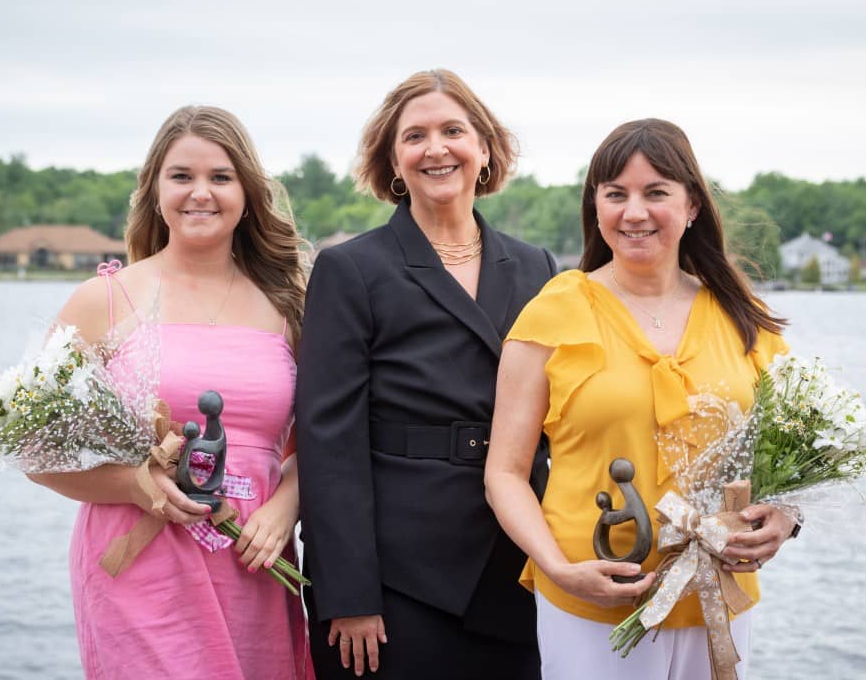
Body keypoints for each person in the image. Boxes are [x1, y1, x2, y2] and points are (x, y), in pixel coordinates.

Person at [484, 118, 796, 680]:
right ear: (595, 205)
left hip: (717, 593)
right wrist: (557, 569)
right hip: (592, 602)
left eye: (656, 193)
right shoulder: (555, 310)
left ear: (692, 205)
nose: (634, 213)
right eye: (616, 194)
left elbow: (789, 455)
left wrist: (785, 516)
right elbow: (504, 472)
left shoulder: (740, 313)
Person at [28, 106, 314, 679]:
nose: (200, 193)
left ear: (248, 192)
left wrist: (288, 503)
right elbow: (36, 454)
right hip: (140, 568)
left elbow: (325, 436)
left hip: (252, 559)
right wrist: (138, 485)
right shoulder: (103, 300)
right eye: (181, 176)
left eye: (221, 177)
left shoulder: (291, 303)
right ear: (155, 189)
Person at [295, 69, 557, 680]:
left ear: (485, 149)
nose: (436, 148)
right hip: (393, 583)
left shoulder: (536, 266)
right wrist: (348, 594)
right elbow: (328, 440)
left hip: (513, 568)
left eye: (453, 130)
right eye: (415, 136)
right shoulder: (350, 269)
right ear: (393, 160)